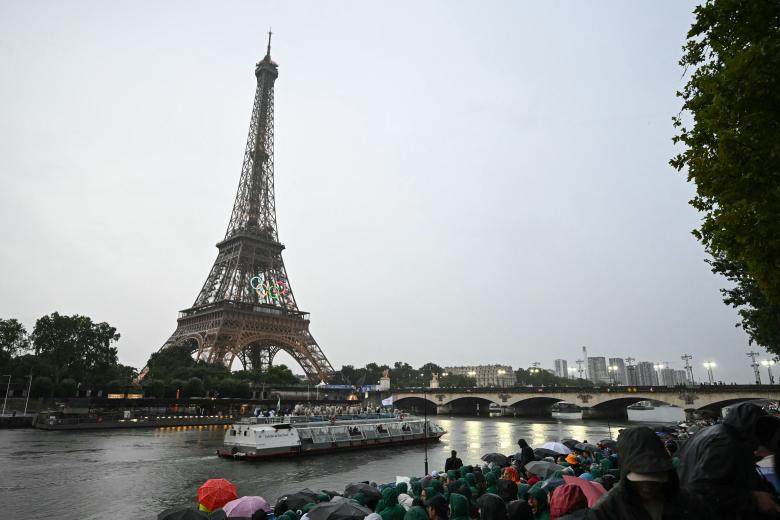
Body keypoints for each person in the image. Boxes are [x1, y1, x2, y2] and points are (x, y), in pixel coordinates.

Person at [678, 401, 780, 519]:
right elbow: (702, 489)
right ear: (752, 429)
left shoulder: (706, 433)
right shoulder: (726, 443)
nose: (758, 445)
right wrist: (754, 499)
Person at [589, 426, 699, 519]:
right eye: (639, 481)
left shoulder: (687, 502)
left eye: (653, 480)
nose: (647, 488)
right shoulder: (606, 511)